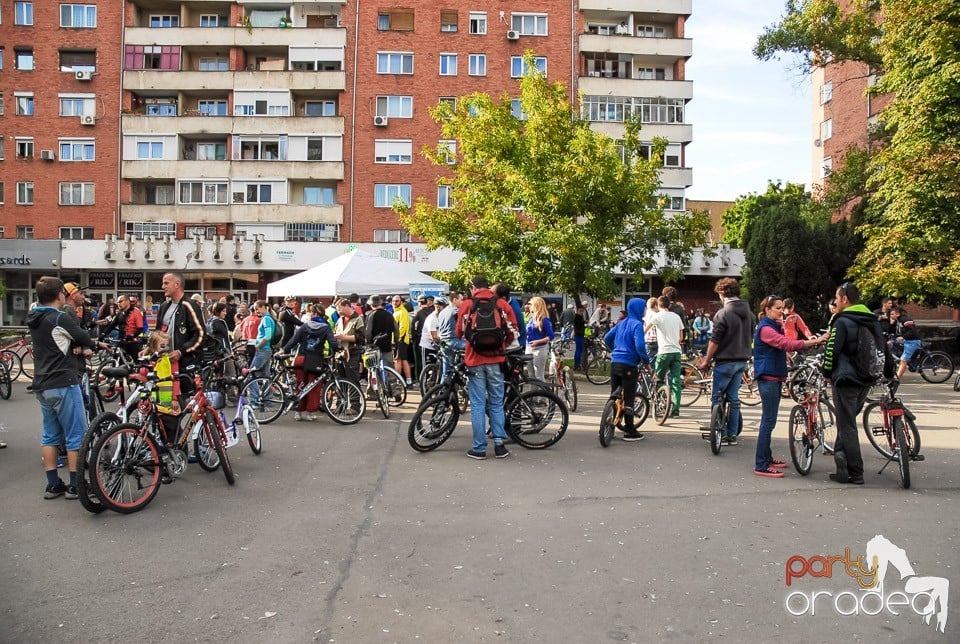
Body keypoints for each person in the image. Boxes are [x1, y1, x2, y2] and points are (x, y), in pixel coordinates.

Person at [28, 276, 108, 500]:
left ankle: (53, 484)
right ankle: (76, 485)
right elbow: (84, 337)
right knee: (76, 436)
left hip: (42, 383)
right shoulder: (59, 317)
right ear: (59, 295)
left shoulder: (34, 316)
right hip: (63, 381)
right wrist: (90, 345)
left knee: (50, 436)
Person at [823, 281, 892, 485]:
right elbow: (884, 348)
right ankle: (841, 464)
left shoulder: (841, 321)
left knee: (847, 425)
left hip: (845, 379)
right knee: (848, 422)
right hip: (866, 378)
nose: (835, 302)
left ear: (845, 299)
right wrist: (889, 373)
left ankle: (856, 472)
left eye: (837, 298)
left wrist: (827, 372)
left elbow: (832, 351)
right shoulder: (871, 320)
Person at [752, 296, 825, 478]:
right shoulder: (766, 328)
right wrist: (815, 342)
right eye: (777, 308)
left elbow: (779, 347)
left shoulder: (772, 326)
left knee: (769, 421)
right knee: (768, 422)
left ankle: (766, 458)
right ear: (768, 310)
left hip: (773, 377)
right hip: (768, 379)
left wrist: (785, 356)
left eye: (782, 307)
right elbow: (786, 343)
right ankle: (761, 464)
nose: (781, 311)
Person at [456, 275, 517, 460]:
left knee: (477, 404)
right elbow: (513, 331)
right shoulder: (502, 305)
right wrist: (502, 346)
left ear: (473, 287)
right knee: (497, 403)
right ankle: (499, 445)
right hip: (495, 360)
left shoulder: (467, 305)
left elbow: (459, 332)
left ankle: (479, 448)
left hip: (474, 360)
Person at [697, 278, 754, 445]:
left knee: (717, 398)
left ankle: (719, 432)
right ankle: (731, 435)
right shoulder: (749, 314)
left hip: (725, 361)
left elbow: (714, 341)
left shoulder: (723, 314)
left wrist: (706, 360)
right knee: (734, 398)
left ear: (722, 293)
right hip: (742, 360)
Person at [603, 297, 650, 441]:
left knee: (614, 392)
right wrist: (645, 361)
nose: (645, 310)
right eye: (643, 307)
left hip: (615, 362)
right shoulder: (637, 325)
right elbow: (641, 346)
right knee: (629, 396)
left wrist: (615, 350)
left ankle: (609, 419)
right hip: (629, 364)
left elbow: (606, 338)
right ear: (638, 309)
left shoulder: (621, 323)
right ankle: (630, 430)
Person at [280, 308, 339, 421]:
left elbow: (293, 341)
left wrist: (284, 350)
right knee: (314, 387)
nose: (310, 314)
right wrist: (337, 348)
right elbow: (333, 343)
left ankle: (298, 411)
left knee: (300, 384)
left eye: (312, 313)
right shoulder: (326, 328)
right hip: (316, 360)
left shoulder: (305, 326)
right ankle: (310, 412)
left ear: (315, 314)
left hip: (301, 358)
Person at [155, 273, 205, 391]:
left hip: (185, 364)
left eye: (166, 283)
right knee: (165, 400)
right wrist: (149, 348)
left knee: (185, 400)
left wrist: (181, 352)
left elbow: (200, 335)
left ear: (177, 285)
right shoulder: (164, 306)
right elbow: (157, 333)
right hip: (165, 363)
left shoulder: (189, 306)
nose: (163, 287)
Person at [646, 296, 684, 418]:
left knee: (659, 379)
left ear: (659, 305)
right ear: (669, 305)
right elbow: (681, 337)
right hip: (677, 351)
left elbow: (646, 330)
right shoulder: (676, 317)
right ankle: (676, 409)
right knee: (676, 381)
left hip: (664, 352)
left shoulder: (657, 316)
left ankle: (659, 404)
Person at [100, 294, 145, 360]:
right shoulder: (120, 313)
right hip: (121, 342)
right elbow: (112, 326)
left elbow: (140, 328)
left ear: (127, 301)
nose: (119, 304)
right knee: (116, 361)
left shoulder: (136, 312)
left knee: (138, 362)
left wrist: (132, 336)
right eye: (118, 302)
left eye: (121, 301)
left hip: (132, 342)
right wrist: (103, 334)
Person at [334, 297, 365, 384]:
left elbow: (361, 338)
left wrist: (344, 337)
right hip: (340, 354)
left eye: (339, 308)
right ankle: (342, 398)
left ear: (347, 306)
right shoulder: (340, 320)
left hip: (352, 353)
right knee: (341, 380)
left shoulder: (358, 319)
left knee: (352, 380)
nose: (338, 311)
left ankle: (353, 398)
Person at [524, 296, 554, 381]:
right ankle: (533, 394)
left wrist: (538, 341)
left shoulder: (544, 319)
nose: (529, 307)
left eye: (531, 305)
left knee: (539, 376)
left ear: (537, 306)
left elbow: (551, 336)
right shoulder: (531, 318)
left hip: (539, 348)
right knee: (531, 376)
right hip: (529, 347)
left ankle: (542, 394)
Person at [365, 295, 397, 368]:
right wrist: (395, 342)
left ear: (371, 305)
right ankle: (390, 379)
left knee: (372, 368)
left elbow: (368, 332)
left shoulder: (371, 315)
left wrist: (367, 344)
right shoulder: (389, 315)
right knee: (389, 368)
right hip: (387, 346)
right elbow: (396, 330)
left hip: (373, 347)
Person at [889, 306, 921, 380]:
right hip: (906, 340)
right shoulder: (897, 321)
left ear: (897, 314)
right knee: (890, 343)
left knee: (904, 360)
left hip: (912, 341)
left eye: (892, 314)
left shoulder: (905, 319)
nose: (891, 316)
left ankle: (896, 378)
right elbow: (891, 331)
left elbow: (912, 331)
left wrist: (903, 337)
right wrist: (891, 323)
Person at [391, 295, 415, 387]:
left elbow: (403, 327)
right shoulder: (397, 312)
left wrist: (396, 339)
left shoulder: (402, 312)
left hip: (400, 340)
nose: (395, 303)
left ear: (401, 302)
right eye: (393, 301)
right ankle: (408, 381)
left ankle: (398, 381)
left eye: (397, 301)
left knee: (397, 360)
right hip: (401, 340)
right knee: (403, 360)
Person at [494, 284, 526, 349]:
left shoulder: (512, 310)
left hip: (515, 345)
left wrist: (504, 345)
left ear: (503, 299)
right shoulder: (513, 300)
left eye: (493, 297)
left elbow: (512, 331)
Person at [419, 296, 444, 371]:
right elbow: (433, 336)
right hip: (428, 346)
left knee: (438, 369)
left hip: (437, 346)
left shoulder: (442, 317)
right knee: (427, 369)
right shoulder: (432, 318)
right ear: (438, 307)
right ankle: (424, 382)